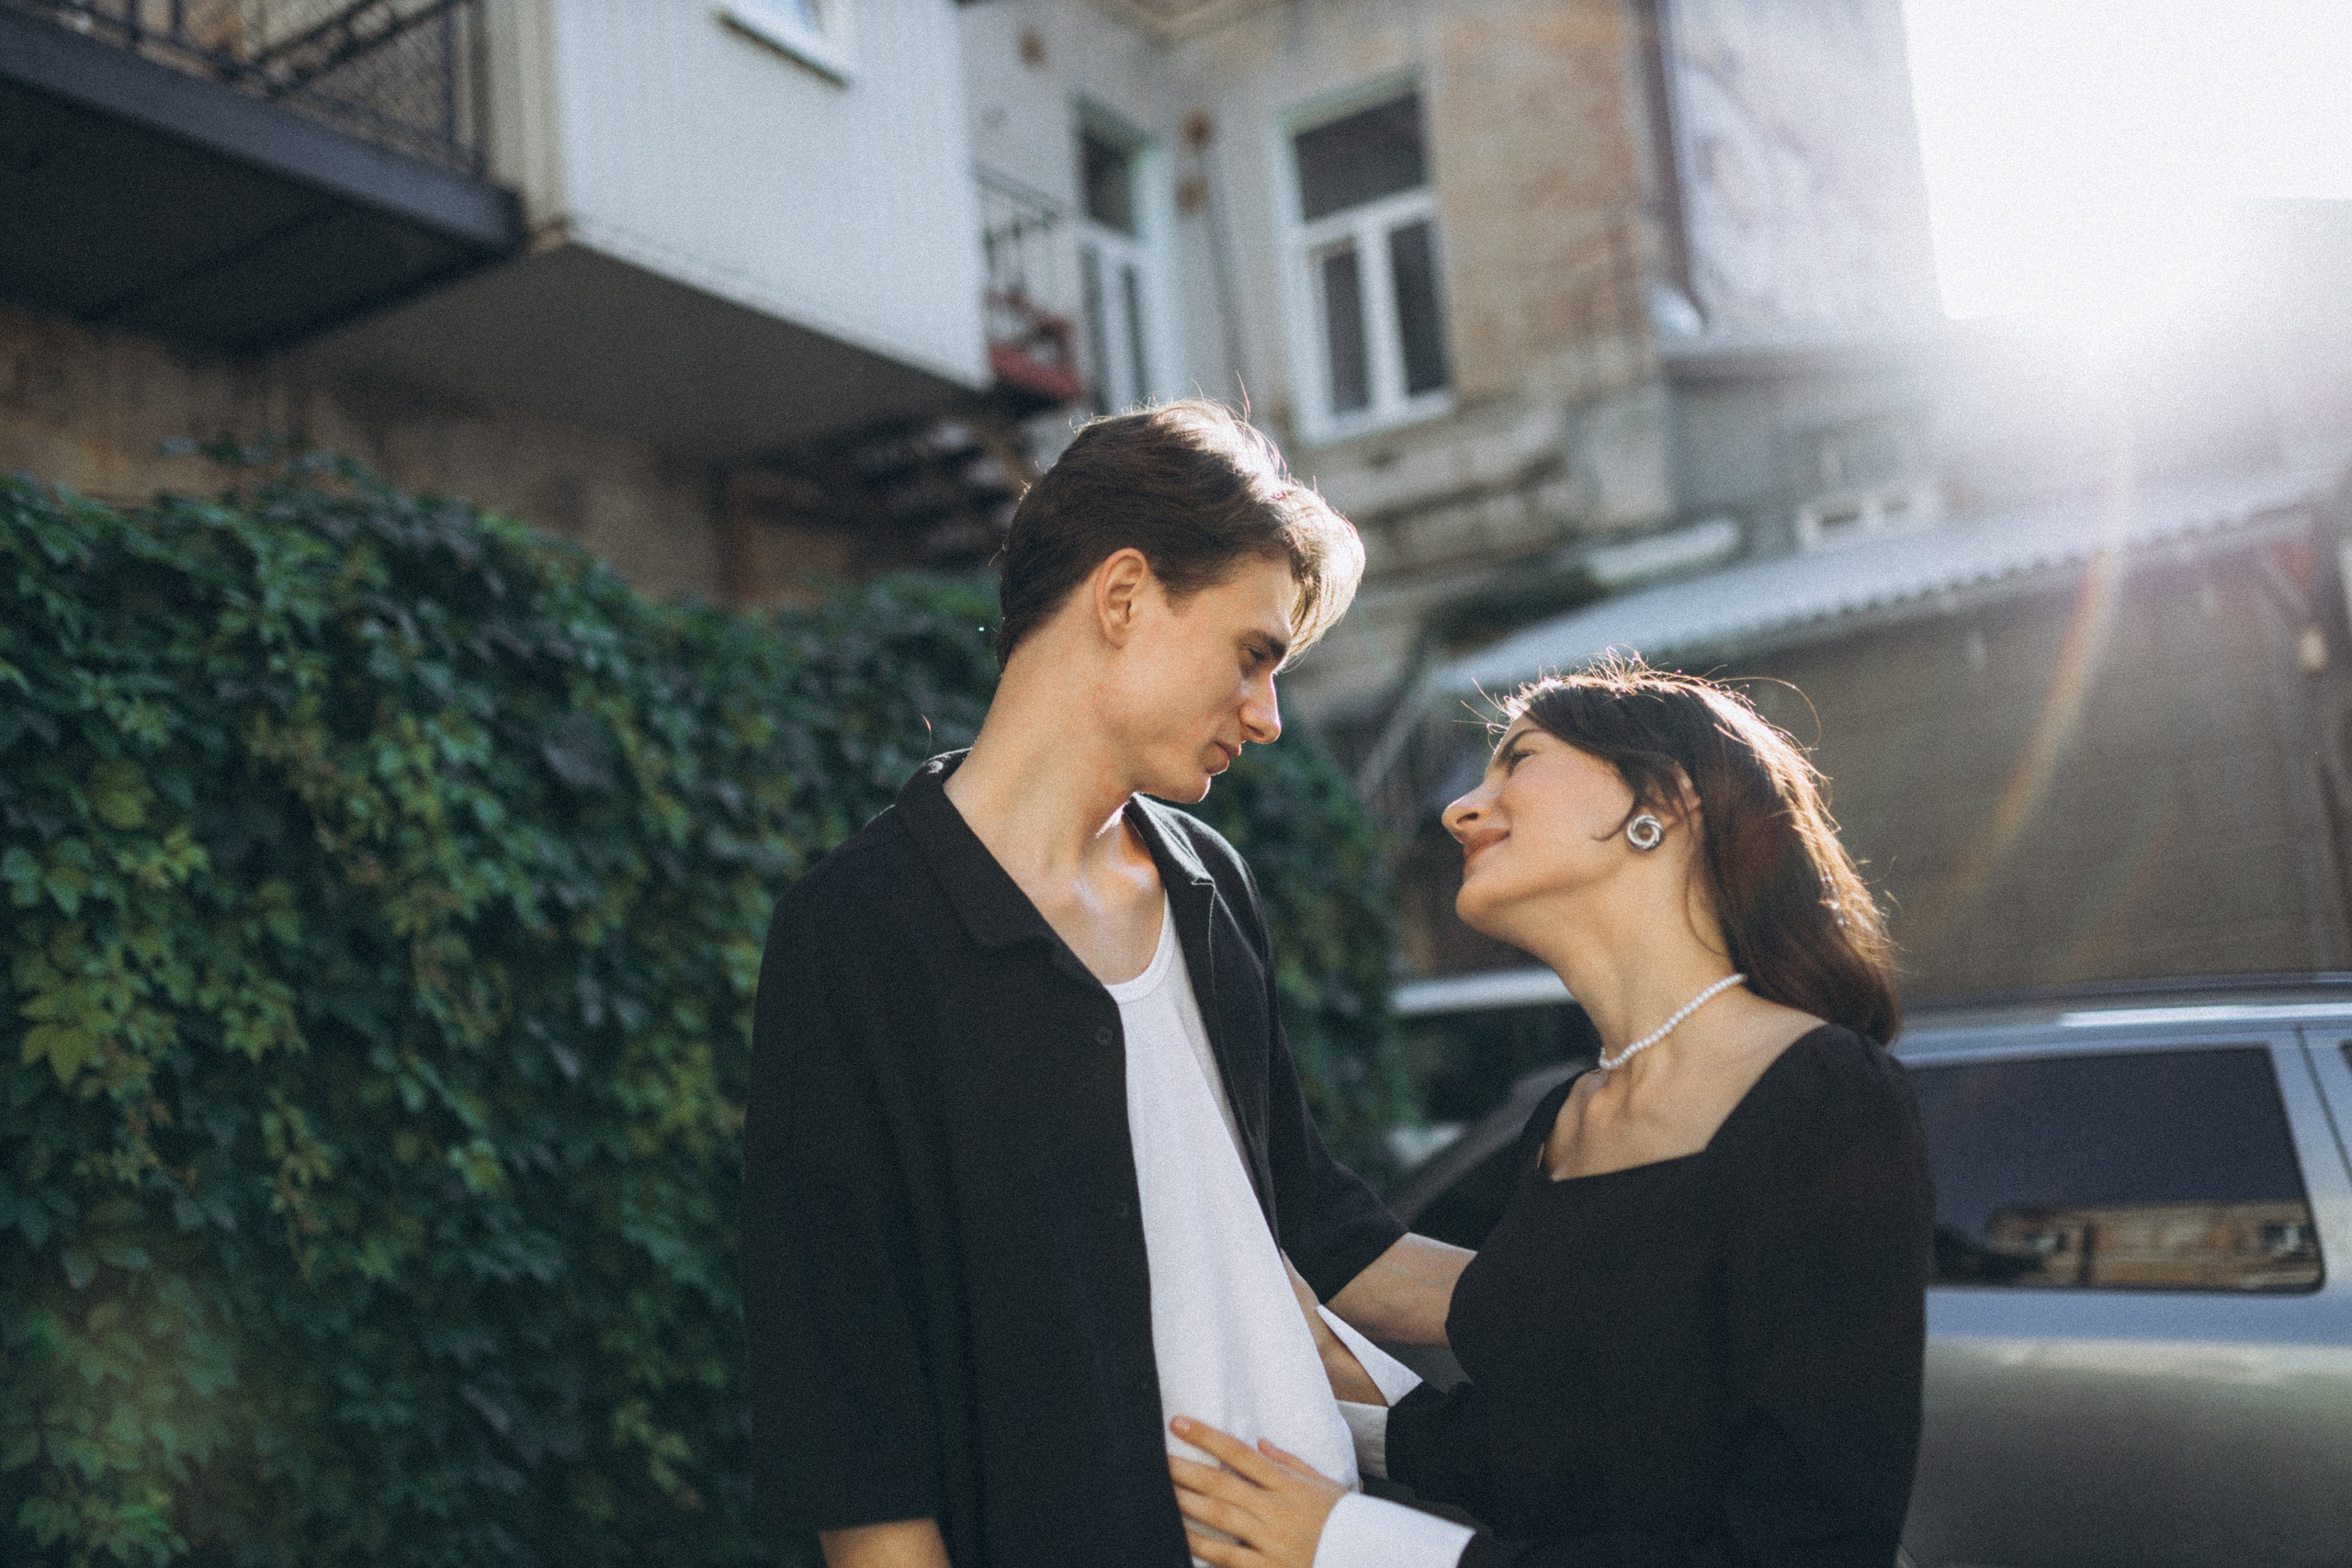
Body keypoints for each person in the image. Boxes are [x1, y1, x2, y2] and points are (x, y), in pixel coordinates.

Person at [741, 400, 1473, 1568]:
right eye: (1253, 654)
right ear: (1123, 596)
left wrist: (1595, 1301)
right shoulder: (858, 937)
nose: (1271, 717)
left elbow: (1321, 1225)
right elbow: (853, 1423)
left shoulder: (1208, 884)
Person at [1169, 660, 1935, 1568]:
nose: (1460, 810)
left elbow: (1813, 1551)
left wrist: (1355, 1547)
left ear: (1667, 804)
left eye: (1517, 760)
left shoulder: (1821, 1096)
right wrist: (1353, 1405)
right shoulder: (1568, 1121)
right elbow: (1571, 1468)